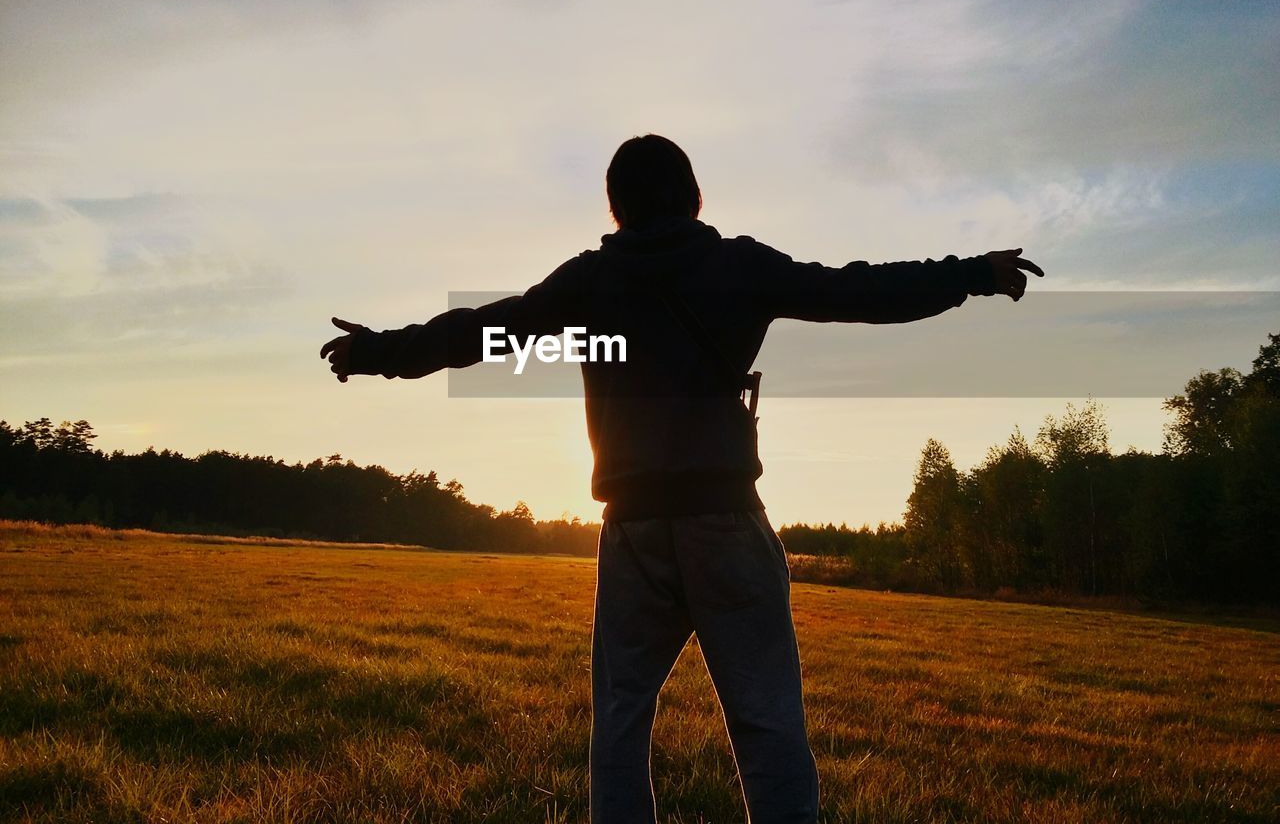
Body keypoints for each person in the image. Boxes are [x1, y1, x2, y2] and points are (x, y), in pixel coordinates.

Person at [320, 134, 1043, 823]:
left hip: (633, 531)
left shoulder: (590, 281)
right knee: (767, 722)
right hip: (725, 521)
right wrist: (972, 274)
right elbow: (857, 292)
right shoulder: (740, 267)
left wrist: (377, 350)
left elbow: (481, 332)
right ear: (694, 197)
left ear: (616, 208)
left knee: (621, 725)